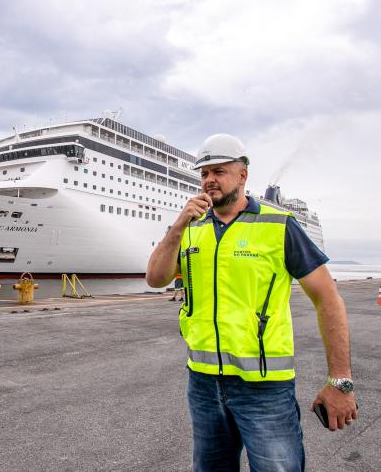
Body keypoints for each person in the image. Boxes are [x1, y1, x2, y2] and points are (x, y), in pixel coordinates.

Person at [146, 133, 357, 472]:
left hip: (265, 387)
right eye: (203, 173)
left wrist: (340, 381)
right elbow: (156, 279)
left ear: (242, 175)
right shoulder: (191, 228)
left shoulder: (279, 225)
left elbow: (328, 300)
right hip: (203, 383)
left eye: (219, 171)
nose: (209, 180)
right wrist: (177, 227)